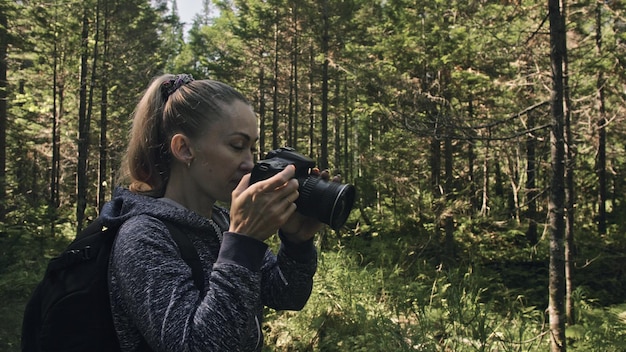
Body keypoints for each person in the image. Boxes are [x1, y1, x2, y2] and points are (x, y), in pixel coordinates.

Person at [100, 73, 328, 351]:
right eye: (237, 146)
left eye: (252, 149)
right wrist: (242, 245)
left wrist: (297, 243)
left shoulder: (221, 222)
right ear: (184, 149)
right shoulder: (143, 237)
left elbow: (286, 294)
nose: (249, 164)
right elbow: (196, 346)